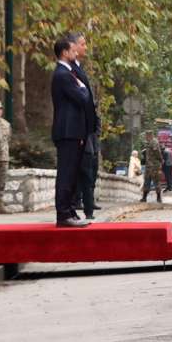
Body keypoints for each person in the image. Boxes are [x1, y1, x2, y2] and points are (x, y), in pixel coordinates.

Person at [50, 35, 95, 227]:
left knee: (72, 174)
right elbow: (82, 97)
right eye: (72, 49)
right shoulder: (62, 74)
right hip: (67, 131)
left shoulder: (68, 73)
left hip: (74, 131)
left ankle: (69, 210)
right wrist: (83, 88)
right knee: (66, 174)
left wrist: (82, 88)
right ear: (64, 52)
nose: (75, 52)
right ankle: (63, 214)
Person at [69, 33, 101, 217]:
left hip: (87, 135)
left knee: (87, 174)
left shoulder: (78, 68)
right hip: (78, 134)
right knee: (75, 175)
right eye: (82, 44)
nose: (86, 47)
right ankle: (72, 209)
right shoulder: (70, 70)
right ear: (72, 47)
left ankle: (87, 210)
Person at [141, 131, 164, 202]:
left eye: (146, 136)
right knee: (146, 181)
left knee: (156, 181)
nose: (145, 137)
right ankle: (144, 198)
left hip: (154, 166)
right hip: (148, 166)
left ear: (150, 135)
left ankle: (159, 198)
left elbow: (157, 153)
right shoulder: (148, 142)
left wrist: (161, 159)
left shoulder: (154, 142)